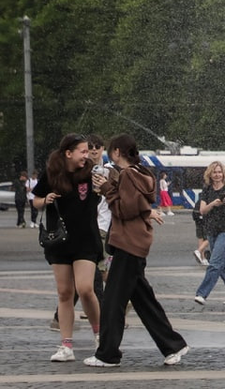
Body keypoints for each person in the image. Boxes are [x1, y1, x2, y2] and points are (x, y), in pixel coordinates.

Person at [86, 134, 188, 367]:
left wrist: (107, 190)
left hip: (128, 243)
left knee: (112, 301)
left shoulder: (129, 175)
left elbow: (125, 209)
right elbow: (137, 205)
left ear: (116, 152)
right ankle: (174, 345)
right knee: (144, 301)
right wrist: (111, 187)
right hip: (134, 242)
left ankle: (108, 354)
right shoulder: (139, 173)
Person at [32, 133, 103, 362]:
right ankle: (66, 346)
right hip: (59, 240)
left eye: (88, 151)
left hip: (86, 240)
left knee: (85, 289)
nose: (87, 155)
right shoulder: (52, 172)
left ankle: (100, 333)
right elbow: (36, 200)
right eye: (82, 151)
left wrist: (103, 189)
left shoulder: (92, 173)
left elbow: (108, 193)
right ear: (68, 153)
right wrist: (46, 200)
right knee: (64, 293)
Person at [193, 161, 225, 306]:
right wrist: (214, 203)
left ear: (223, 174)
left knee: (215, 263)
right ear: (210, 174)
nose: (217, 175)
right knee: (224, 264)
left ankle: (202, 294)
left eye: (220, 172)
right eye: (215, 172)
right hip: (212, 231)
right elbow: (202, 211)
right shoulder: (207, 190)